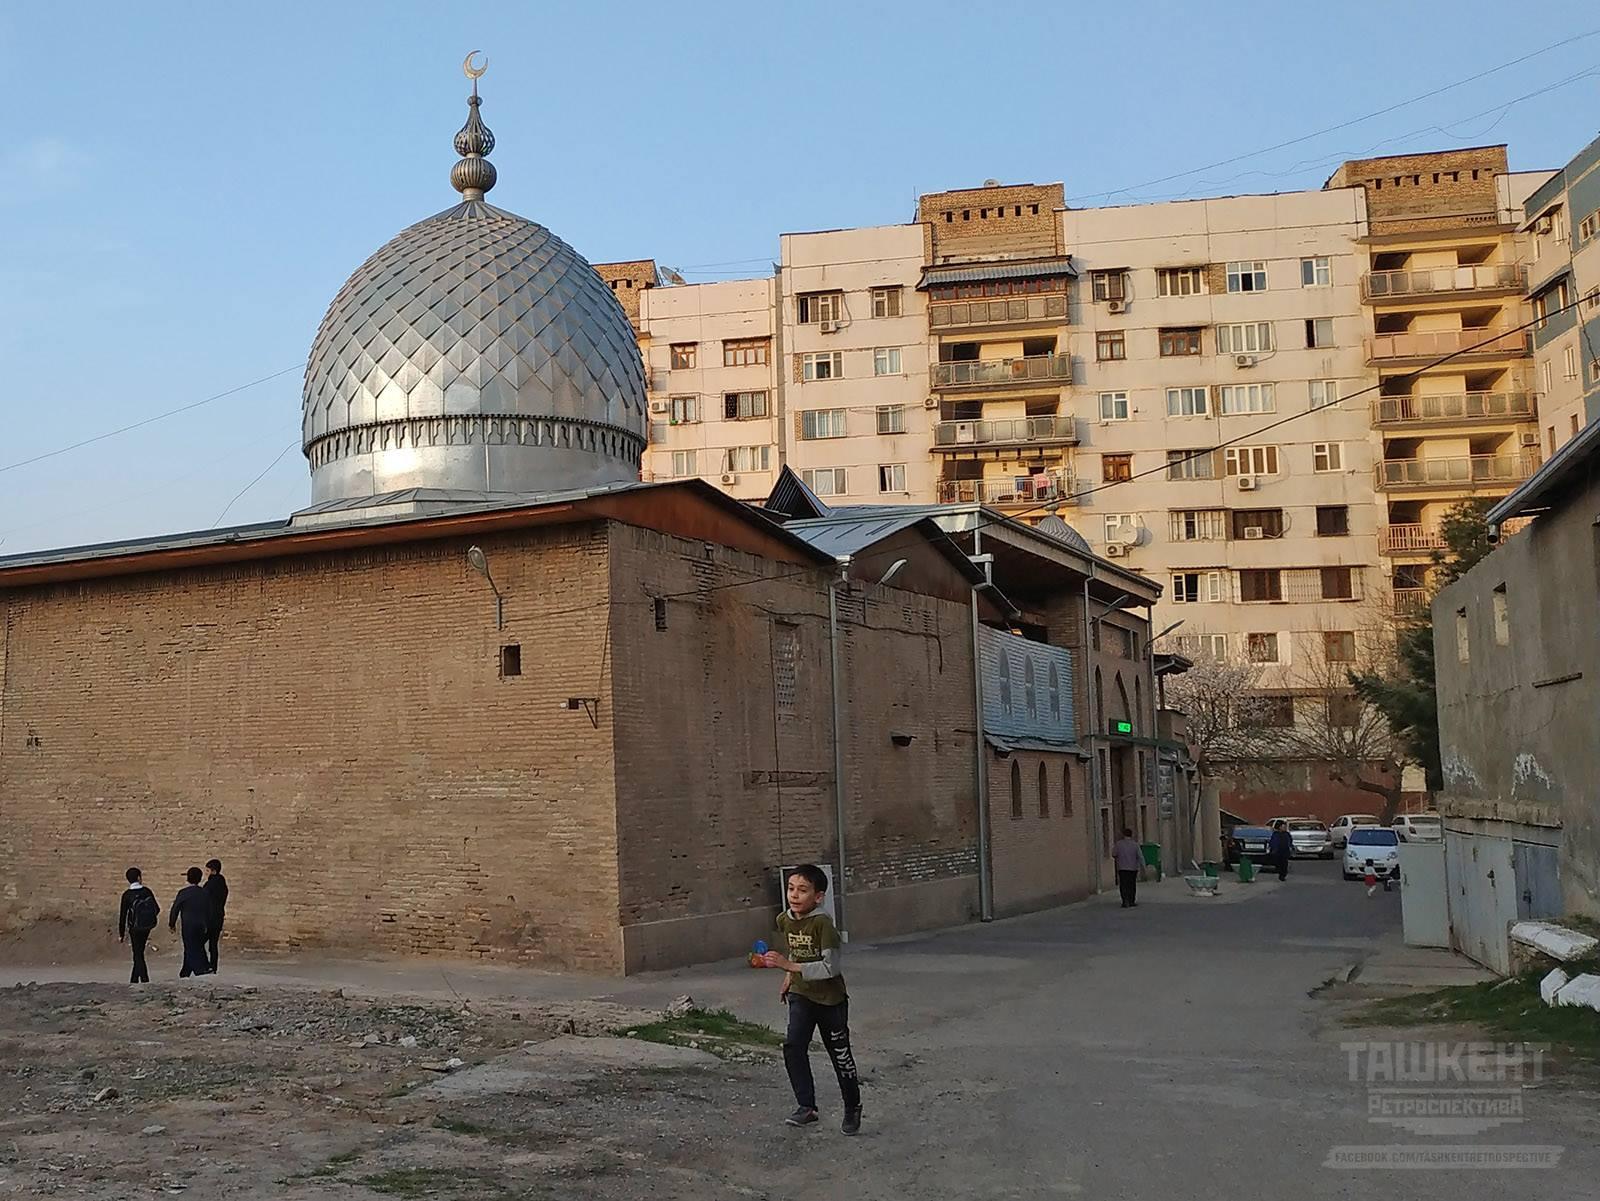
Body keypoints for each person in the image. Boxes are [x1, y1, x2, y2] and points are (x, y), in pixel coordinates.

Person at [761, 864, 862, 1135]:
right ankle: (806, 1106)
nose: (794, 895)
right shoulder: (785, 920)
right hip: (801, 994)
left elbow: (831, 967)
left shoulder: (823, 924)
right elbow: (796, 950)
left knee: (840, 1055)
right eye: (791, 888)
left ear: (818, 897)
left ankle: (852, 1107)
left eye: (803, 890)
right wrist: (789, 978)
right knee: (794, 1046)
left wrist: (788, 966)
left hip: (830, 1000)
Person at [117, 867, 161, 985]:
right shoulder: (147, 891)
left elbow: (123, 915)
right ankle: (134, 980)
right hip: (146, 927)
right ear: (139, 877)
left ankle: (145, 980)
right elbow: (156, 909)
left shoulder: (127, 895)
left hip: (134, 928)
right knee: (139, 952)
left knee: (137, 954)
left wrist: (121, 933)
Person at [169, 867, 211, 978]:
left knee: (190, 947)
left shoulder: (183, 893)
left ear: (188, 878)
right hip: (201, 925)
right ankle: (185, 971)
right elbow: (209, 910)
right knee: (197, 946)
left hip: (188, 925)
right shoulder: (204, 893)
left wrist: (172, 923)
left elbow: (175, 908)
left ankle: (199, 970)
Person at [202, 858, 229, 974]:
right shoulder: (223, 885)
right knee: (213, 944)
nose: (206, 873)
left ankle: (204, 965)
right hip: (218, 918)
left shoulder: (209, 885)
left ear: (213, 871)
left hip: (209, 919)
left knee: (199, 943)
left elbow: (204, 900)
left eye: (207, 870)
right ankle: (213, 967)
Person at [1112, 828, 1143, 908]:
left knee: (1123, 885)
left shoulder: (1118, 844)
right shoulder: (1135, 845)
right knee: (1132, 885)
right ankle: (1131, 901)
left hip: (1122, 868)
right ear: (1131, 835)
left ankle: (1125, 900)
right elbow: (1140, 856)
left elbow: (1114, 854)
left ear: (1123, 835)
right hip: (1133, 868)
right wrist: (1143, 865)